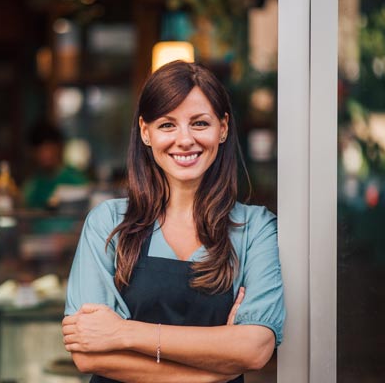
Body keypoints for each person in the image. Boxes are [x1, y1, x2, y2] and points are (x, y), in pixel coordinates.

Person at [62, 61, 285, 382]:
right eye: (167, 125)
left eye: (199, 123)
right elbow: (87, 355)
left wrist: (123, 333)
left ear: (223, 128)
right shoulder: (109, 223)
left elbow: (255, 349)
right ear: (145, 132)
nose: (184, 140)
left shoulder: (255, 227)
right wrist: (213, 372)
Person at [22, 121, 88, 209]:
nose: (44, 154)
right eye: (39, 149)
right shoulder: (33, 184)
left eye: (48, 147)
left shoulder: (75, 179)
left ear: (59, 147)